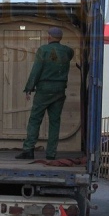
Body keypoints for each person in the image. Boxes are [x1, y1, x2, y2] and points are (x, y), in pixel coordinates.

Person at [16, 27, 74, 161]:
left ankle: (28, 150)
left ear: (49, 36)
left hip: (44, 89)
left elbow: (36, 70)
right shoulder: (67, 51)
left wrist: (29, 87)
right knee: (55, 122)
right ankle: (51, 154)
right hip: (60, 90)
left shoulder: (43, 50)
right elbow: (70, 54)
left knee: (35, 119)